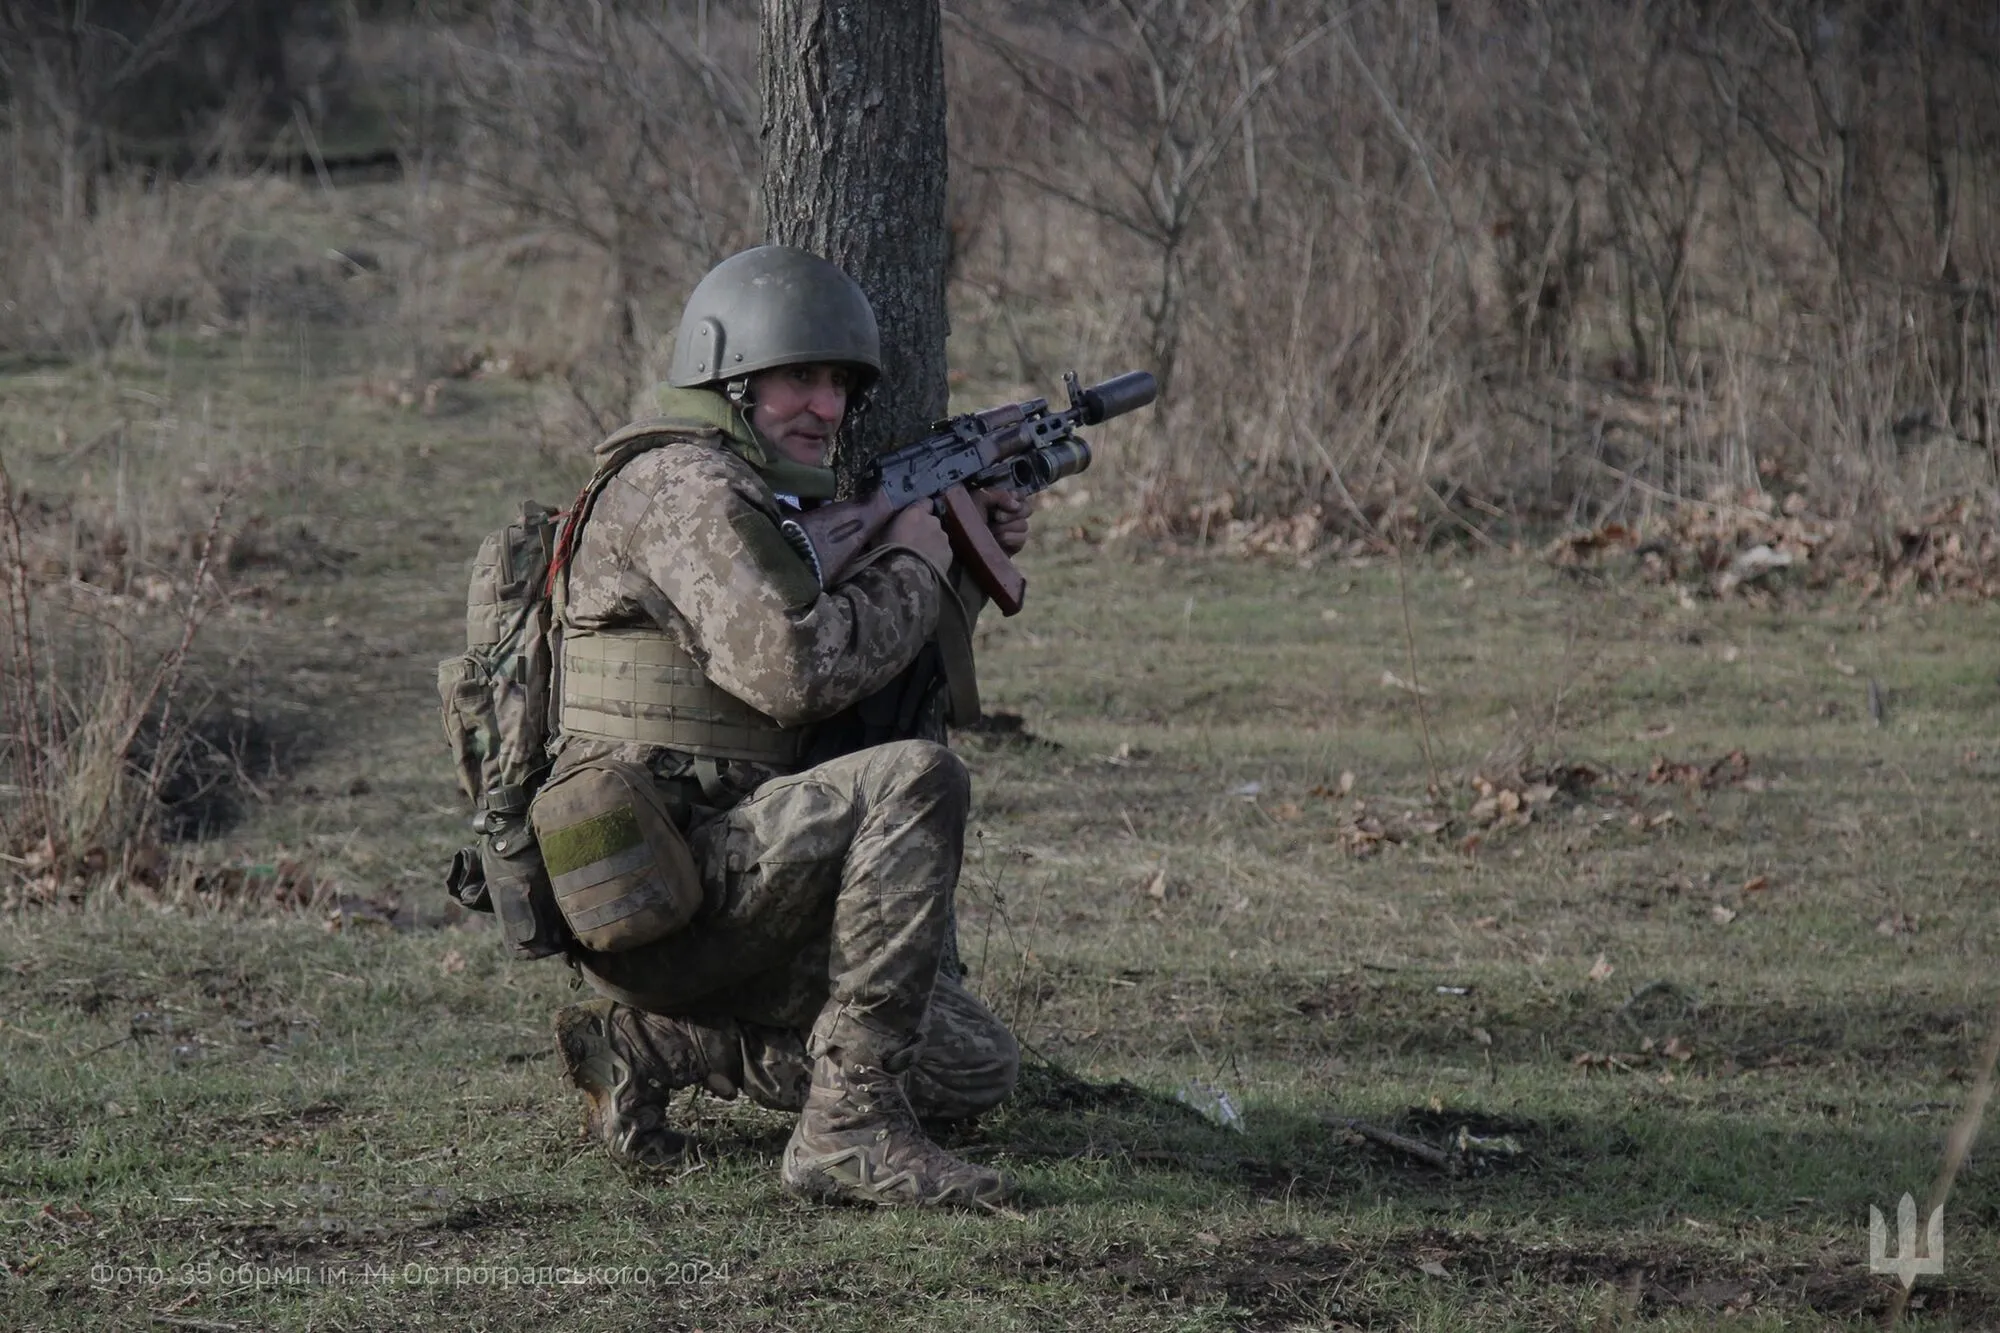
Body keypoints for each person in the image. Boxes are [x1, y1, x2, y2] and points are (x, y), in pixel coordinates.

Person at [544, 244, 1033, 1209]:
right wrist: (914, 563)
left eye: (840, 384)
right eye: (798, 378)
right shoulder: (688, 493)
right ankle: (848, 1133)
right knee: (917, 778)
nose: (827, 406)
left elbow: (852, 670)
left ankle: (650, 1042)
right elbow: (799, 672)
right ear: (729, 375)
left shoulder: (754, 496)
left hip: (725, 872)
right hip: (663, 889)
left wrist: (957, 560)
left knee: (975, 1070)